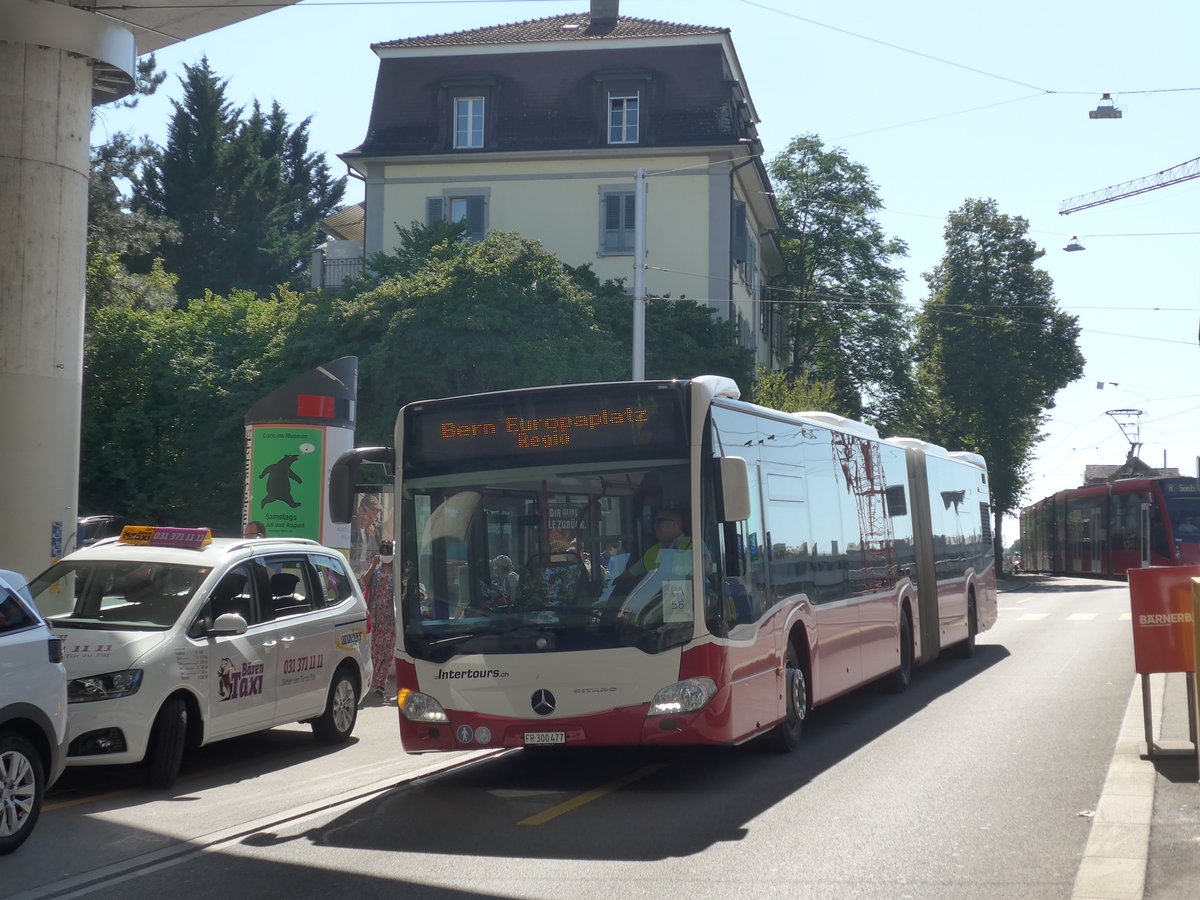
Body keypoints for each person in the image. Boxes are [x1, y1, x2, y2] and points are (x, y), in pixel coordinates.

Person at [361, 539, 396, 700]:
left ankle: (382, 683)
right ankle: (373, 681)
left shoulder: (398, 571)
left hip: (390, 616)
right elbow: (365, 581)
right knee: (374, 648)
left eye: (388, 553)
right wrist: (373, 565)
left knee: (387, 650)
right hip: (375, 613)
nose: (386, 556)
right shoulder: (377, 569)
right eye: (384, 553)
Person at [351, 494, 383, 575]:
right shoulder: (349, 528)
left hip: (365, 574)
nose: (372, 521)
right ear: (360, 511)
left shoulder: (374, 531)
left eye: (374, 518)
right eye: (370, 516)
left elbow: (376, 554)